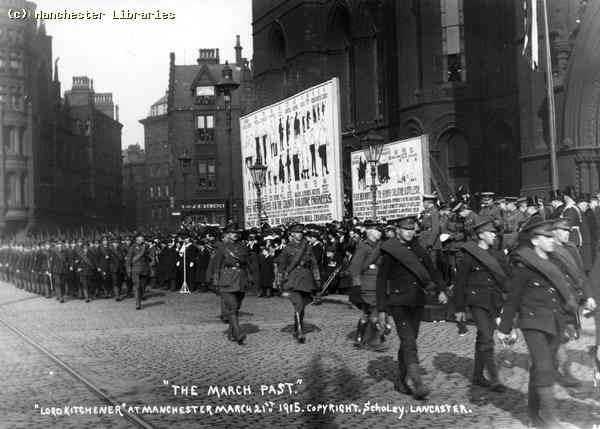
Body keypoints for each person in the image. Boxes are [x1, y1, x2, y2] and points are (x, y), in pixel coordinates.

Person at [497, 219, 579, 427]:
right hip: (533, 322)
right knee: (543, 365)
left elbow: (563, 293)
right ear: (535, 240)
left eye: (552, 236)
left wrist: (569, 321)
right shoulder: (524, 267)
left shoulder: (554, 262)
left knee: (546, 366)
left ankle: (533, 411)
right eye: (547, 237)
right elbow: (513, 298)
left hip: (554, 321)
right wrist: (504, 328)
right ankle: (550, 418)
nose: (552, 240)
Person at [376, 215, 447, 399]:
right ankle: (417, 383)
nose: (410, 232)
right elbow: (381, 282)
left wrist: (441, 290)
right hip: (398, 303)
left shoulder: (419, 250)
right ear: (397, 230)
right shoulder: (390, 251)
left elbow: (434, 271)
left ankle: (401, 379)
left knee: (409, 342)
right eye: (406, 229)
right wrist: (381, 310)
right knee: (408, 341)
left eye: (412, 229)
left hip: (417, 302)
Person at [454, 219, 509, 392]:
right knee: (486, 336)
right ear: (481, 235)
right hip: (477, 301)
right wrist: (459, 309)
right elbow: (460, 284)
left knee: (483, 336)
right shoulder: (468, 256)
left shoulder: (498, 255)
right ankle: (494, 379)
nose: (494, 235)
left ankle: (478, 375)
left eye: (494, 232)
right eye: (491, 232)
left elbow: (508, 278)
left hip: (494, 301)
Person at [275, 223, 322, 343]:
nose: (299, 234)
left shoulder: (308, 247)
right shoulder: (287, 248)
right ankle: (300, 332)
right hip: (293, 280)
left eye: (301, 232)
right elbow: (282, 267)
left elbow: (314, 264)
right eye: (296, 232)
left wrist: (317, 279)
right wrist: (278, 282)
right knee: (298, 304)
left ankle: (297, 327)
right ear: (292, 234)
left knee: (302, 306)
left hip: (306, 279)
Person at [349, 220, 389, 351]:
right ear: (370, 232)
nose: (380, 233)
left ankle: (358, 340)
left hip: (378, 284)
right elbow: (355, 268)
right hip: (368, 285)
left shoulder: (379, 246)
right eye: (378, 230)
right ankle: (380, 338)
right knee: (374, 312)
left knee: (367, 313)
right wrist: (357, 286)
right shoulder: (363, 247)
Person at [211, 222, 251, 344]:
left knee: (237, 307)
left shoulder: (243, 247)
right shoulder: (221, 248)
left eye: (236, 233)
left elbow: (246, 264)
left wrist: (250, 277)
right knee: (232, 308)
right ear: (226, 235)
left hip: (240, 281)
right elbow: (216, 267)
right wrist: (216, 284)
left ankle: (231, 333)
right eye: (232, 233)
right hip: (227, 282)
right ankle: (238, 333)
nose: (235, 235)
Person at [127, 232, 151, 310]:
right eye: (141, 237)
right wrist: (128, 270)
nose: (143, 238)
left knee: (142, 287)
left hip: (144, 269)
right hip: (135, 269)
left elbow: (146, 257)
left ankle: (139, 302)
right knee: (137, 286)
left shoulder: (145, 246)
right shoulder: (132, 247)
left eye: (143, 237)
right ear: (137, 238)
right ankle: (137, 304)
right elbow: (129, 260)